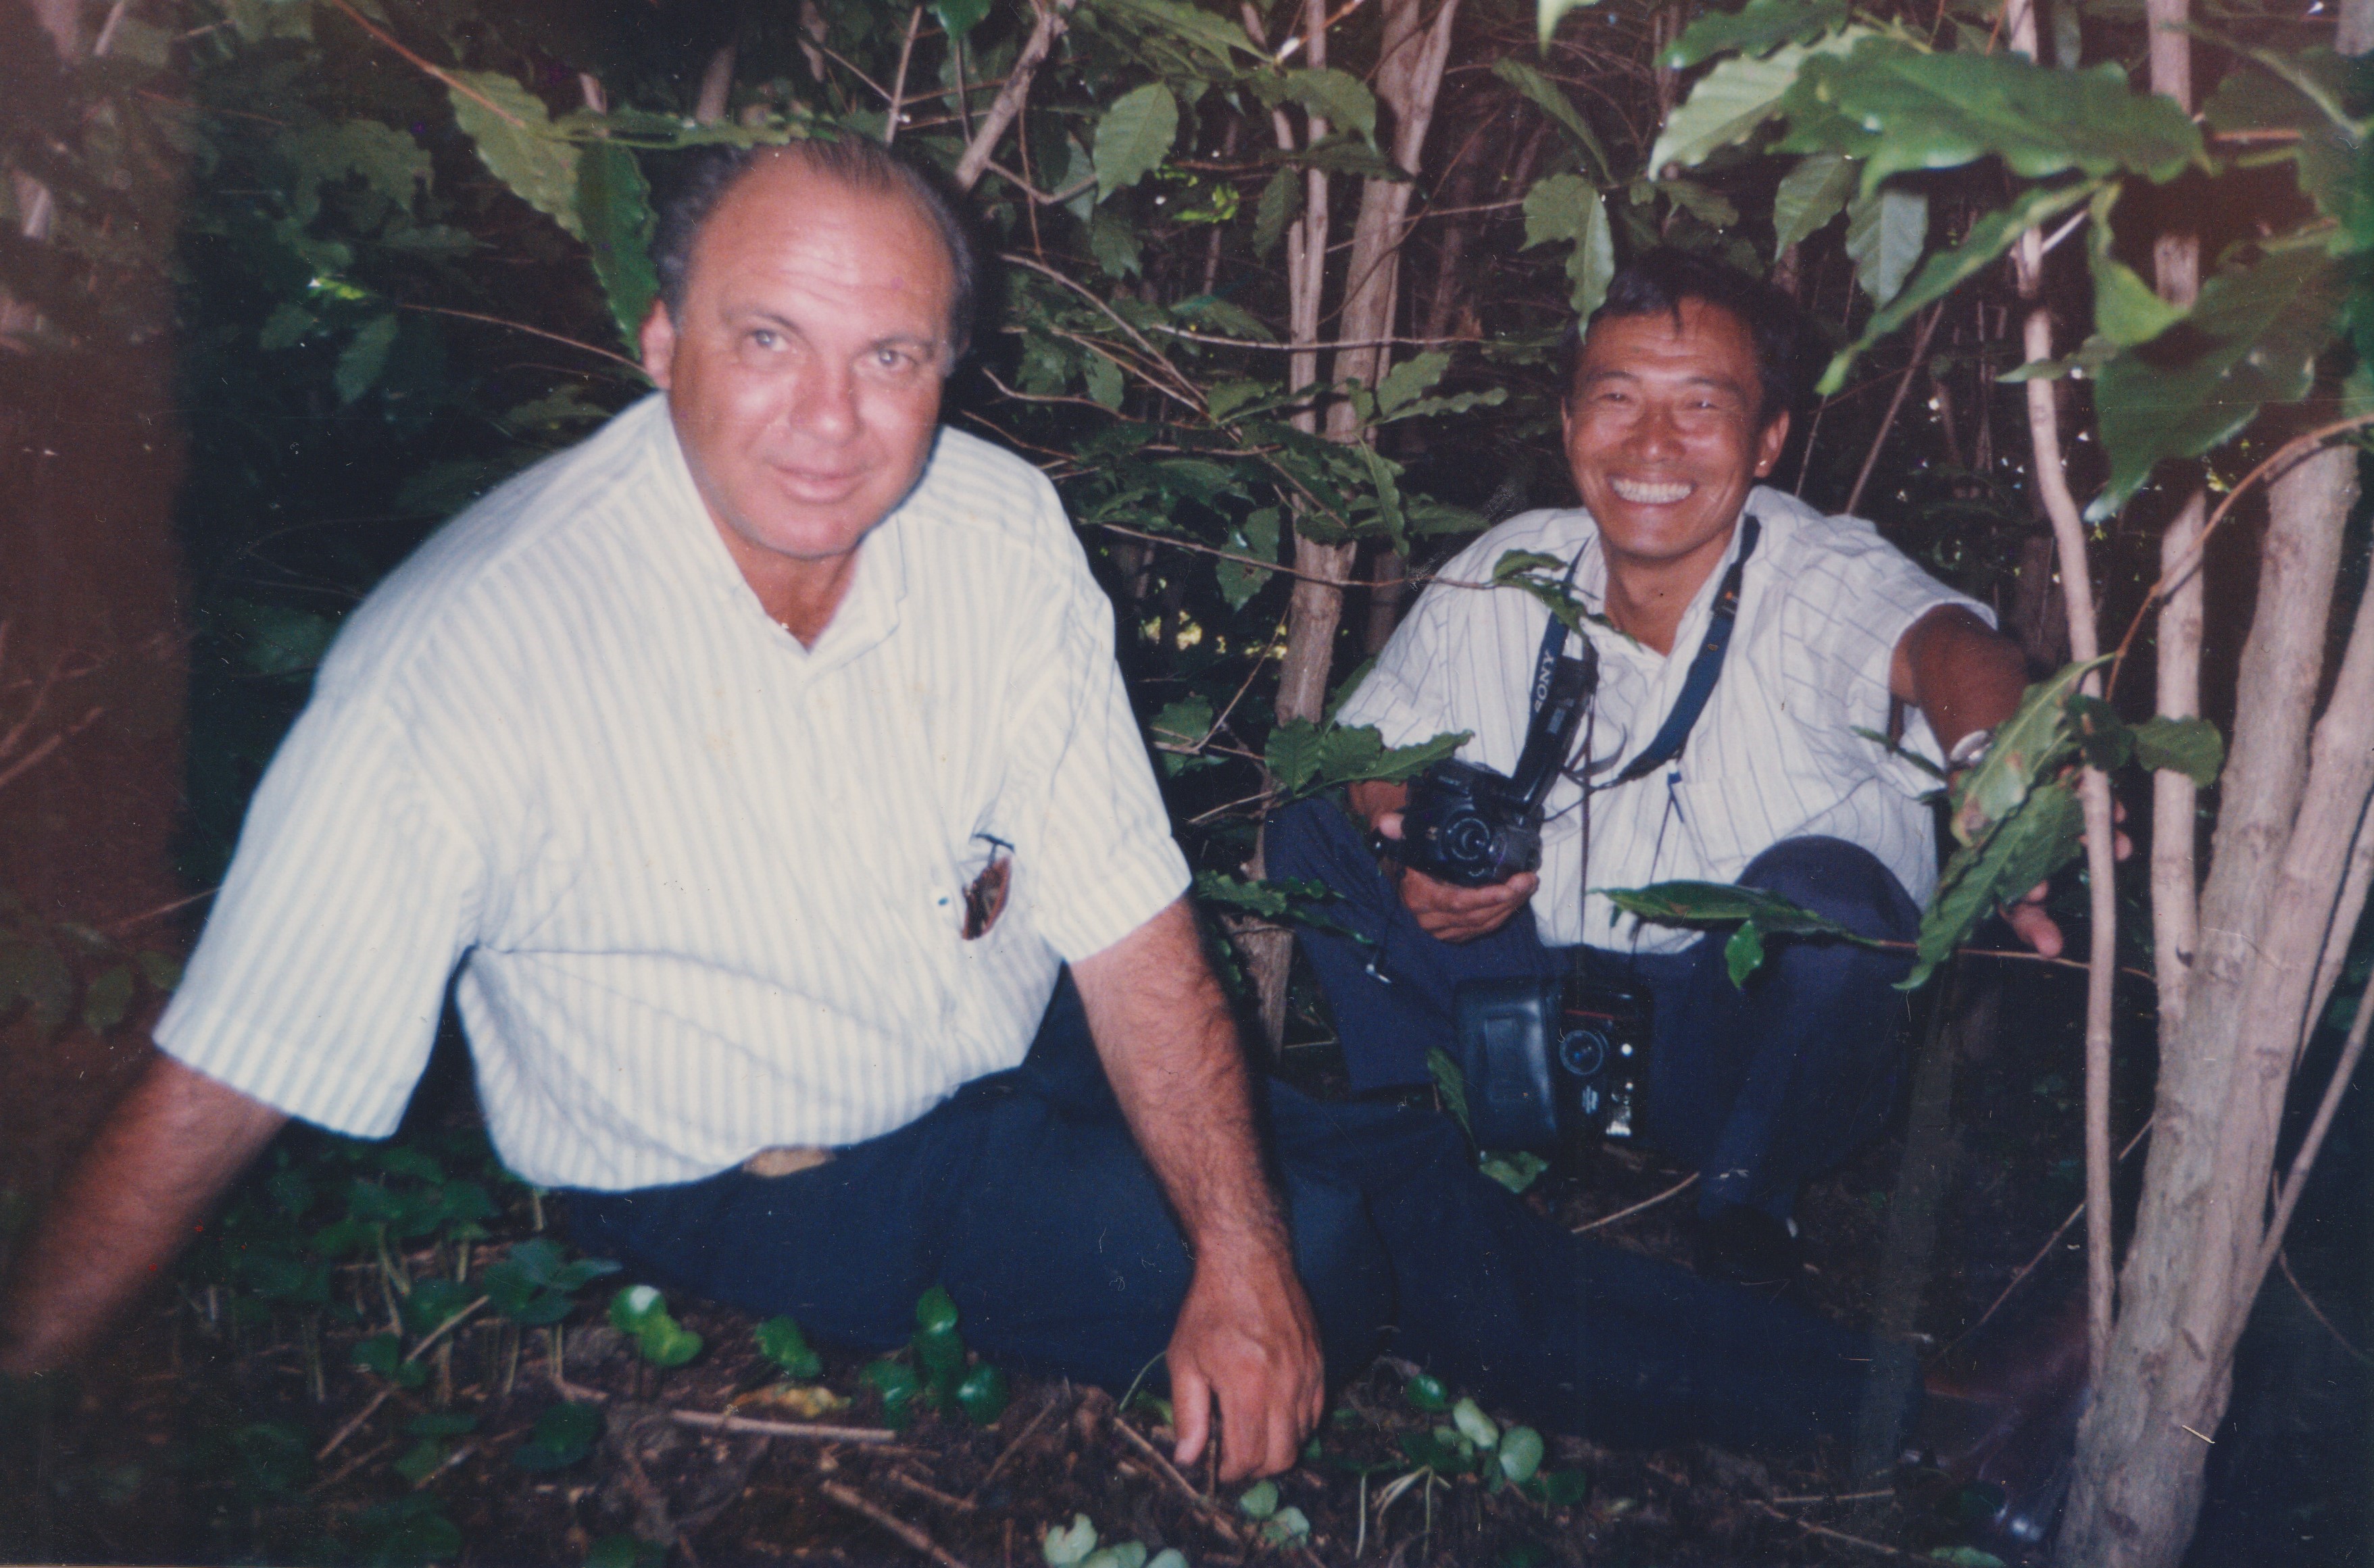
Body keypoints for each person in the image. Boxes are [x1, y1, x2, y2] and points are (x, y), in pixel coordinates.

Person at [0, 147, 2049, 1487]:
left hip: (990, 1028)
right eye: (768, 340)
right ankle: (1860, 1424)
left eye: (893, 354)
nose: (831, 418)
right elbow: (226, 1072)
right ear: (661, 346)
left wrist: (1225, 1236)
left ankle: (1890, 1414)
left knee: (1359, 1185)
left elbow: (1128, 910)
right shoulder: (463, 654)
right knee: (1336, 1239)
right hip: (764, 1169)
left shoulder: (988, 525)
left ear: (949, 367)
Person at [1269, 249, 2041, 1288]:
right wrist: (1406, 831)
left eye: (1700, 406)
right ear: (1568, 424)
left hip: (1731, 1037)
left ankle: (1744, 1208)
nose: (1651, 444)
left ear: (1767, 440)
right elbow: (1369, 754)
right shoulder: (1508, 570)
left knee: (1829, 902)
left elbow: (1952, 647)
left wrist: (2001, 769)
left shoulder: (1816, 573)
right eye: (1618, 398)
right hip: (1530, 993)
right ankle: (1460, 1142)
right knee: (1310, 816)